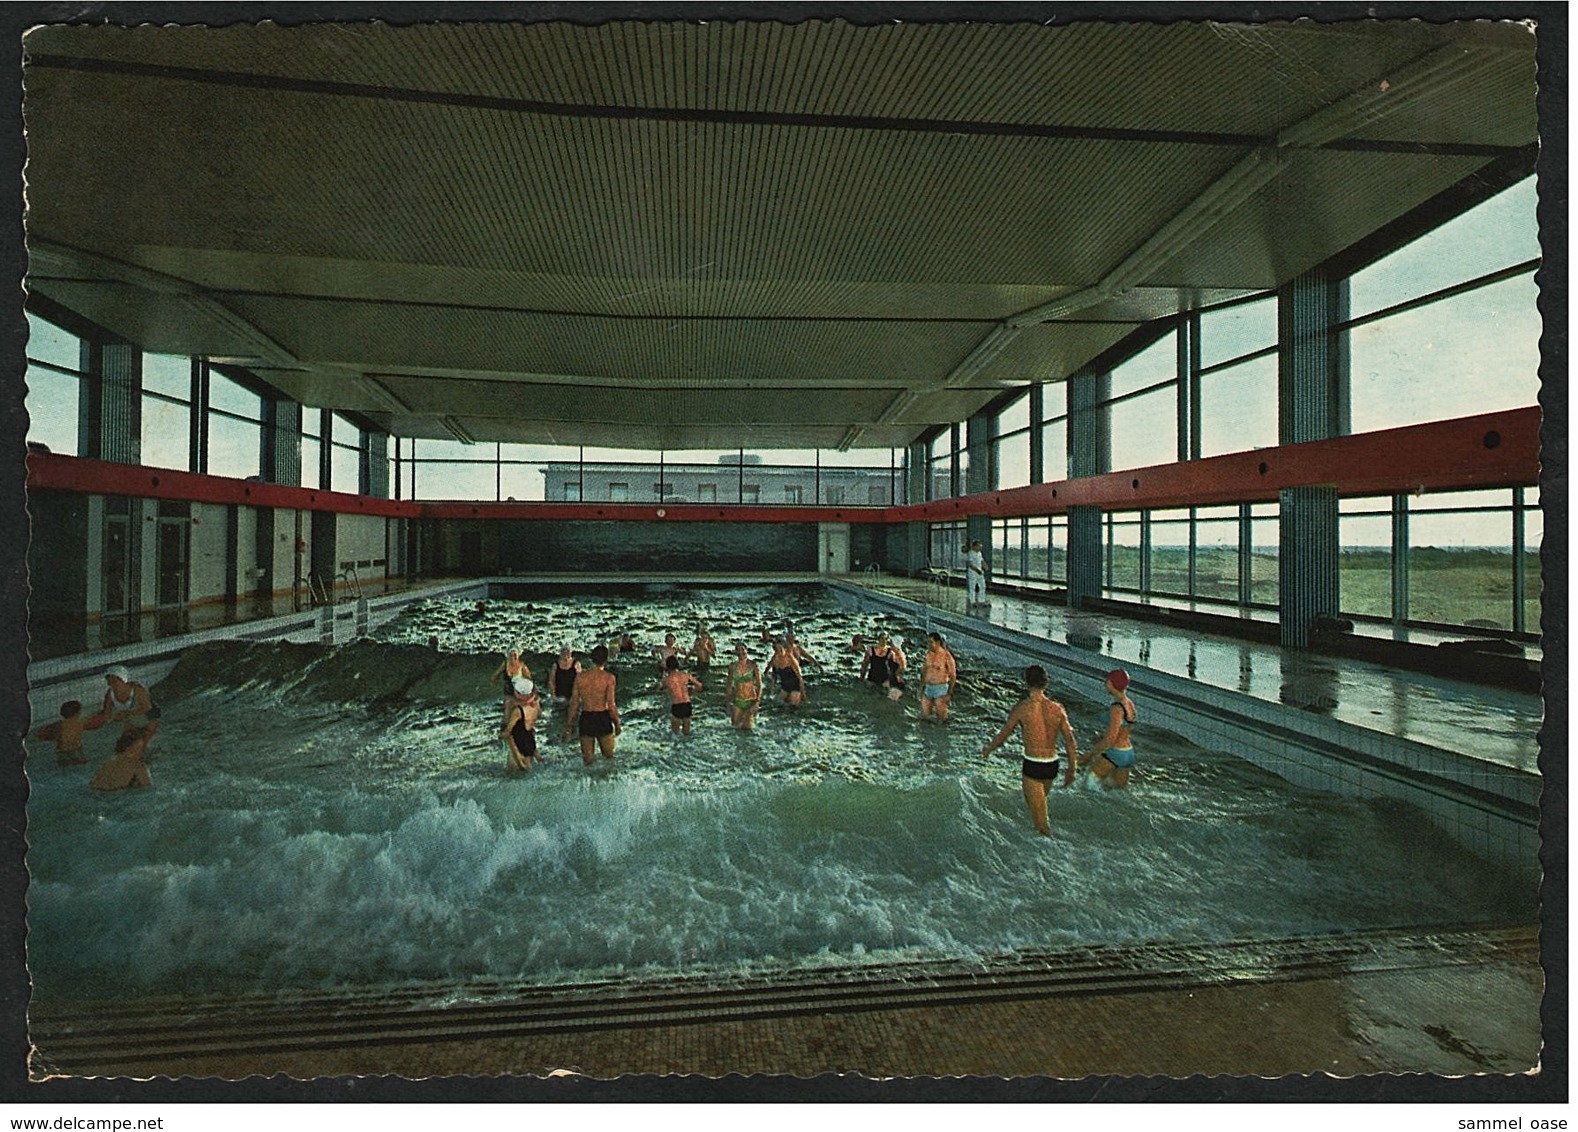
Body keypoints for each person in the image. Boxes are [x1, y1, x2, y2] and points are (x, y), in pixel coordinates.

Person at [981, 665, 1077, 836]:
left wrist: (988, 749)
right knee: (1040, 809)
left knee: (1041, 823)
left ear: (1027, 683)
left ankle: (1049, 853)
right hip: (1052, 765)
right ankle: (1040, 844)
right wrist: (1072, 768)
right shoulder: (1058, 709)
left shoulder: (1022, 708)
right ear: (1045, 683)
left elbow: (1004, 734)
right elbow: (1070, 741)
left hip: (1033, 764)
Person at [1080, 669, 1138, 789]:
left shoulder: (1116, 708)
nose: (1104, 684)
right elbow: (1125, 729)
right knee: (1115, 790)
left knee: (1089, 783)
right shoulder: (1129, 703)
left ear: (1112, 684)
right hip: (1128, 753)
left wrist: (1090, 755)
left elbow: (1111, 738)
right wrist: (1102, 737)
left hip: (1116, 752)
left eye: (1106, 682)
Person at [562, 645, 620, 765]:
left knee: (588, 763)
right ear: (606, 659)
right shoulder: (609, 678)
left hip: (586, 718)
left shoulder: (580, 677)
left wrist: (569, 726)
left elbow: (574, 704)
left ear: (592, 659)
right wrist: (617, 723)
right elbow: (611, 705)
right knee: (609, 760)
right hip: (602, 718)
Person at [94, 666, 161, 741]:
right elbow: (107, 714)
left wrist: (126, 714)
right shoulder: (110, 694)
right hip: (131, 718)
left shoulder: (137, 690)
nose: (112, 684)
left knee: (143, 739)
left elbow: (147, 708)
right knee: (128, 740)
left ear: (123, 680)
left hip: (150, 716)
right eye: (109, 681)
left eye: (115, 681)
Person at [35, 700, 101, 767]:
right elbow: (93, 723)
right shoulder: (80, 723)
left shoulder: (59, 724)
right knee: (82, 763)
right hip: (77, 751)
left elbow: (45, 733)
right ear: (77, 713)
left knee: (63, 766)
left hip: (62, 752)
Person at [500, 677, 543, 771]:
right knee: (528, 769)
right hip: (530, 742)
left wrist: (501, 735)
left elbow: (508, 731)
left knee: (513, 774)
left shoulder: (518, 711)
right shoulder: (536, 706)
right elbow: (538, 714)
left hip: (518, 745)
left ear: (519, 693)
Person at [917, 632, 957, 722]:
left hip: (941, 688)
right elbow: (924, 672)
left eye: (931, 642)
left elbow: (953, 676)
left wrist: (949, 694)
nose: (929, 645)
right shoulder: (928, 655)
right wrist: (920, 688)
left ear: (938, 642)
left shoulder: (947, 656)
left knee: (941, 719)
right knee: (924, 717)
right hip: (928, 688)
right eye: (928, 642)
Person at [660, 656, 704, 736]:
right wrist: (691, 692)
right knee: (686, 734)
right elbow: (700, 686)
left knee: (675, 735)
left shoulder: (667, 679)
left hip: (676, 705)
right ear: (678, 665)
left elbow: (661, 688)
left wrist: (663, 676)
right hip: (687, 704)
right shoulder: (686, 675)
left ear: (667, 666)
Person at [725, 644, 763, 730]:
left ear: (747, 651)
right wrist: (727, 702)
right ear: (736, 652)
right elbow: (729, 685)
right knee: (734, 728)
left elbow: (759, 685)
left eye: (743, 650)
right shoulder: (732, 667)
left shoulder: (753, 665)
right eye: (738, 650)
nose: (741, 652)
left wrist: (757, 702)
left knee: (747, 729)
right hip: (738, 700)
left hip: (751, 700)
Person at [860, 634, 907, 701]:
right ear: (878, 639)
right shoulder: (870, 650)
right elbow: (865, 665)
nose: (883, 641)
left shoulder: (890, 652)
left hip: (885, 678)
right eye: (881, 639)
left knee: (883, 697)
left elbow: (896, 666)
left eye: (885, 639)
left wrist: (898, 676)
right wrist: (861, 677)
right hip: (872, 676)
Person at [768, 637, 807, 706]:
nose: (779, 652)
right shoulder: (775, 659)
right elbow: (774, 676)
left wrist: (802, 692)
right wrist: (772, 687)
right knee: (777, 705)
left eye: (781, 650)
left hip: (795, 686)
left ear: (784, 649)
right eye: (777, 650)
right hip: (785, 687)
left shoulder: (790, 658)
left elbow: (799, 676)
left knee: (793, 707)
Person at [965, 540, 988, 608]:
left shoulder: (979, 553)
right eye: (979, 546)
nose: (980, 548)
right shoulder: (970, 553)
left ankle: (981, 600)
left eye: (981, 547)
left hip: (979, 572)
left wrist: (985, 566)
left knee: (983, 586)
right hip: (973, 572)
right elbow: (970, 564)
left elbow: (981, 561)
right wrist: (977, 570)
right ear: (975, 546)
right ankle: (972, 601)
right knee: (972, 587)